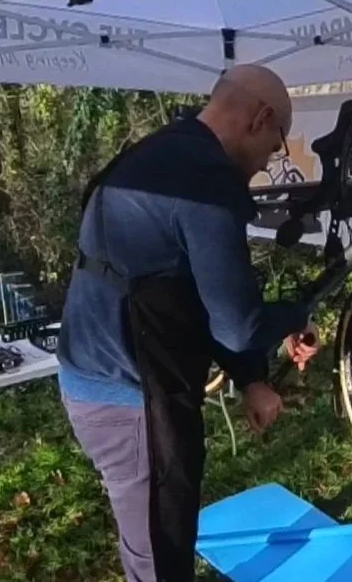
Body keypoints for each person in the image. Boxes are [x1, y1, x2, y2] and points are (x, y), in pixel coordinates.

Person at [56, 64, 322, 582]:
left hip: (94, 377)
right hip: (131, 400)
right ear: (261, 118)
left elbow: (193, 294)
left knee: (154, 542)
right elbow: (240, 326)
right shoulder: (205, 184)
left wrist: (251, 379)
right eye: (275, 146)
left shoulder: (162, 151)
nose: (269, 162)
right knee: (160, 558)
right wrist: (297, 311)